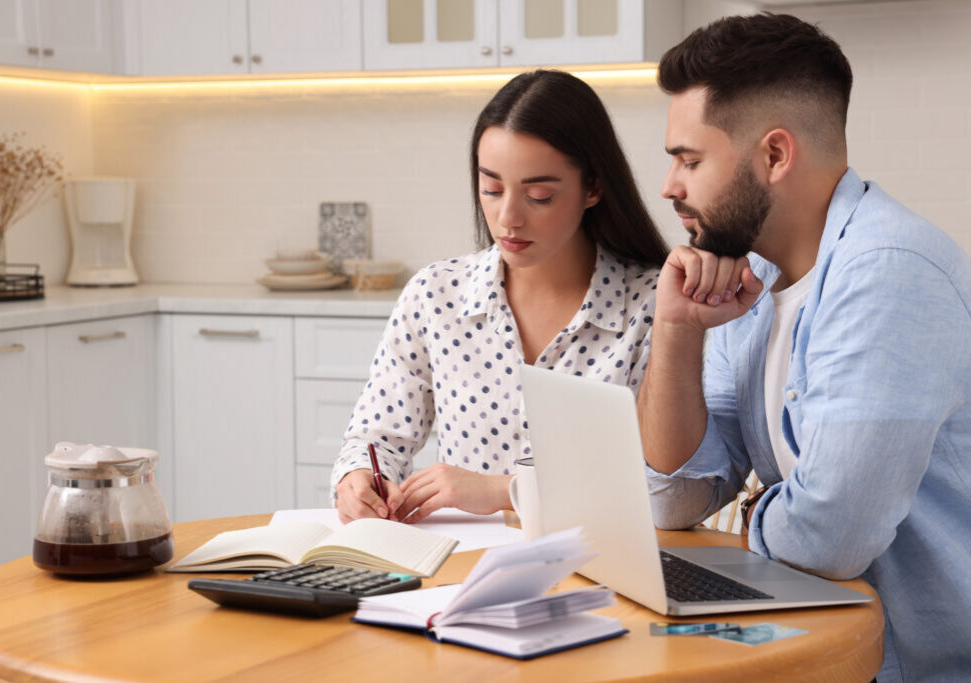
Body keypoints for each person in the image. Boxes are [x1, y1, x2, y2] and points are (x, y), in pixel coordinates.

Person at [638, 13, 971, 682]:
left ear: (774, 155)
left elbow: (831, 537)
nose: (670, 186)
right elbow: (671, 499)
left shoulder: (888, 271)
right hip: (819, 642)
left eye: (689, 159)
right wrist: (675, 331)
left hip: (908, 665)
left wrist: (754, 516)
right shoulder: (752, 280)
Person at [333, 70, 668, 526]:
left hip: (602, 568)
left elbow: (660, 485)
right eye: (491, 188)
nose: (508, 217)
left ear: (593, 187)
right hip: (461, 570)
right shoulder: (436, 295)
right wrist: (357, 479)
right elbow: (377, 437)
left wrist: (502, 491)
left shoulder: (654, 306)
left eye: (539, 196)